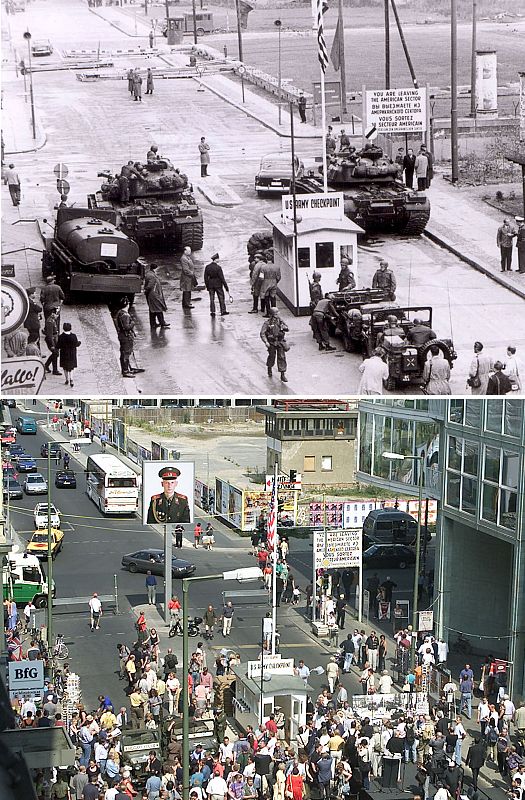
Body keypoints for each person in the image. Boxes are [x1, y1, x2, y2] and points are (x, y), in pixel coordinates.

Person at [260, 307, 289, 382]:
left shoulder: (280, 321)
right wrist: (266, 342)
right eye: (276, 314)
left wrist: (283, 327)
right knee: (272, 356)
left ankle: (282, 374)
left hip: (279, 341)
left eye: (277, 313)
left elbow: (287, 328)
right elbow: (262, 333)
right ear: (272, 315)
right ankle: (269, 368)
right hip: (272, 342)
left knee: (282, 357)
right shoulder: (267, 323)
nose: (277, 315)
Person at [114, 297, 137, 378]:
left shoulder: (120, 312)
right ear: (127, 305)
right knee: (126, 353)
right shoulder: (125, 315)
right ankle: (125, 371)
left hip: (122, 335)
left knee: (124, 353)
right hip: (126, 336)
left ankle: (126, 369)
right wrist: (133, 323)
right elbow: (126, 327)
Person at [144, 264, 170, 329]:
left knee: (153, 309)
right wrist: (147, 290)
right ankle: (162, 322)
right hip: (154, 294)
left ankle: (153, 323)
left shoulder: (150, 274)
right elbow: (150, 286)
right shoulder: (152, 276)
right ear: (154, 269)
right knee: (158, 308)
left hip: (152, 294)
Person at [57, 322, 81, 387]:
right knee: (71, 367)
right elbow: (76, 344)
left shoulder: (61, 336)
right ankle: (71, 379)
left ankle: (66, 379)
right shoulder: (73, 336)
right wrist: (79, 342)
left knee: (65, 367)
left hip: (64, 354)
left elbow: (58, 345)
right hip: (72, 354)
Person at [44, 307, 62, 376]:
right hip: (52, 340)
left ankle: (47, 366)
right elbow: (50, 335)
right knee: (55, 353)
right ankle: (54, 370)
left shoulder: (53, 320)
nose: (57, 316)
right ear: (52, 314)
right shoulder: (50, 322)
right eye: (56, 314)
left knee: (55, 354)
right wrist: (51, 345)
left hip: (55, 338)